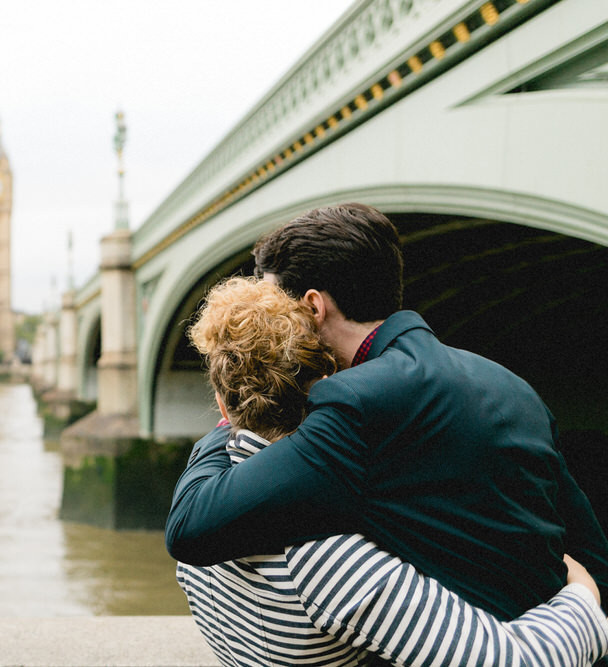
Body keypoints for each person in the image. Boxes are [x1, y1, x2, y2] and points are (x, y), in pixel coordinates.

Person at [165, 203, 608, 622]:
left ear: (313, 307)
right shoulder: (511, 384)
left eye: (276, 308)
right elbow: (589, 549)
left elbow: (190, 527)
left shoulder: (354, 404)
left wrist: (230, 421)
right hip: (553, 634)